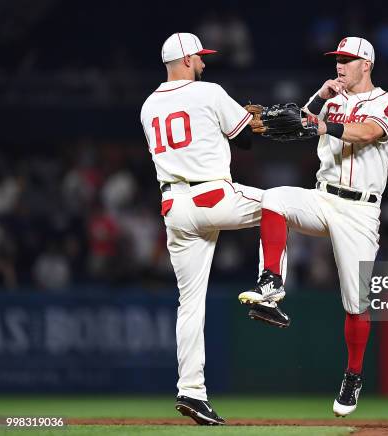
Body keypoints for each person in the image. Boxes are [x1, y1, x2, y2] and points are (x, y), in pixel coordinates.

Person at [238, 36, 388, 417]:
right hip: (322, 196)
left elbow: (367, 134)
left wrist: (321, 122)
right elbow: (294, 127)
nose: (340, 66)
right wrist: (315, 102)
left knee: (356, 302)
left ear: (367, 65)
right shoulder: (329, 99)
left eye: (348, 60)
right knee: (274, 198)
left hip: (360, 210)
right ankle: (270, 283)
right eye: (337, 59)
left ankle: (353, 375)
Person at [139, 32, 285, 426]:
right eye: (199, 57)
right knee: (278, 204)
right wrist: (250, 117)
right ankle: (269, 289)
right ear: (186, 60)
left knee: (189, 303)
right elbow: (246, 141)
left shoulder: (149, 105)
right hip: (211, 196)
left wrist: (234, 117)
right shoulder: (209, 92)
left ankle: (191, 391)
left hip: (173, 205)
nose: (204, 62)